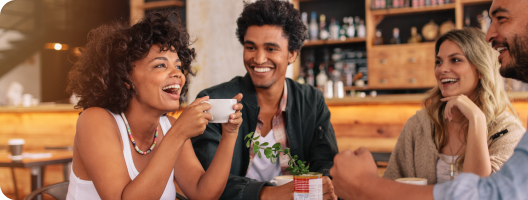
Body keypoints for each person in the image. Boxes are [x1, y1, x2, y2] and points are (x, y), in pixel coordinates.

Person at [330, 0, 528, 199]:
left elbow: (495, 196)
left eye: (502, 18)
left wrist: (364, 185)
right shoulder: (420, 124)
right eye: (438, 61)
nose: (490, 35)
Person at [66, 12, 243, 199]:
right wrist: (179, 134)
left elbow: (203, 194)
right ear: (126, 77)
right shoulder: (96, 121)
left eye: (178, 66)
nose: (177, 74)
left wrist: (229, 135)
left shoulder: (169, 127)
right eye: (160, 65)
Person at [191, 0, 338, 200]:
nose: (259, 59)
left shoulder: (312, 101)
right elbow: (207, 182)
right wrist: (269, 194)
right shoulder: (214, 101)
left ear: (292, 54)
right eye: (251, 47)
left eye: (271, 49)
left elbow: (326, 167)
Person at [383, 28, 526, 185]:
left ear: (480, 69)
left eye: (455, 60)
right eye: (438, 62)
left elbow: (480, 193)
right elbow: (389, 187)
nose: (442, 69)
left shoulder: (509, 133)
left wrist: (476, 119)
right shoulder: (418, 126)